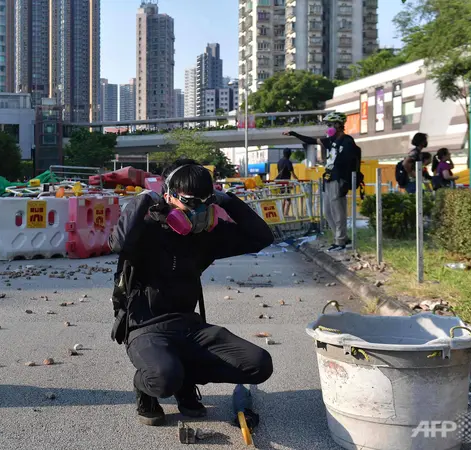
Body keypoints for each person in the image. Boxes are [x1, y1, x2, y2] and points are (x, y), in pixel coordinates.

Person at [109, 159, 274, 427]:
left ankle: (183, 380)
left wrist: (227, 200)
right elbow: (119, 243)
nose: (198, 210)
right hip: (145, 328)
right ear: (168, 195)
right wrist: (144, 199)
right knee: (163, 378)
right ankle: (146, 387)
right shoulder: (147, 229)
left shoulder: (205, 236)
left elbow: (261, 237)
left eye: (205, 202)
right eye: (190, 201)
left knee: (259, 364)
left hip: (189, 325)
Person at [283, 111, 361, 252]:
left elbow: (351, 164)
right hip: (328, 179)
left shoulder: (347, 141)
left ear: (338, 125)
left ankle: (341, 241)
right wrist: (294, 134)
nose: (328, 128)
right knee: (327, 212)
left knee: (338, 212)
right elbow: (311, 141)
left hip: (339, 180)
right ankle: (340, 238)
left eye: (330, 124)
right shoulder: (330, 141)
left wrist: (346, 182)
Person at [275, 149, 297, 216]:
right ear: (289, 154)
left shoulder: (279, 161)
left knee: (283, 198)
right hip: (286, 183)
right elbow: (292, 174)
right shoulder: (288, 162)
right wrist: (298, 180)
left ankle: (281, 214)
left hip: (279, 183)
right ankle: (285, 214)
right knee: (288, 200)